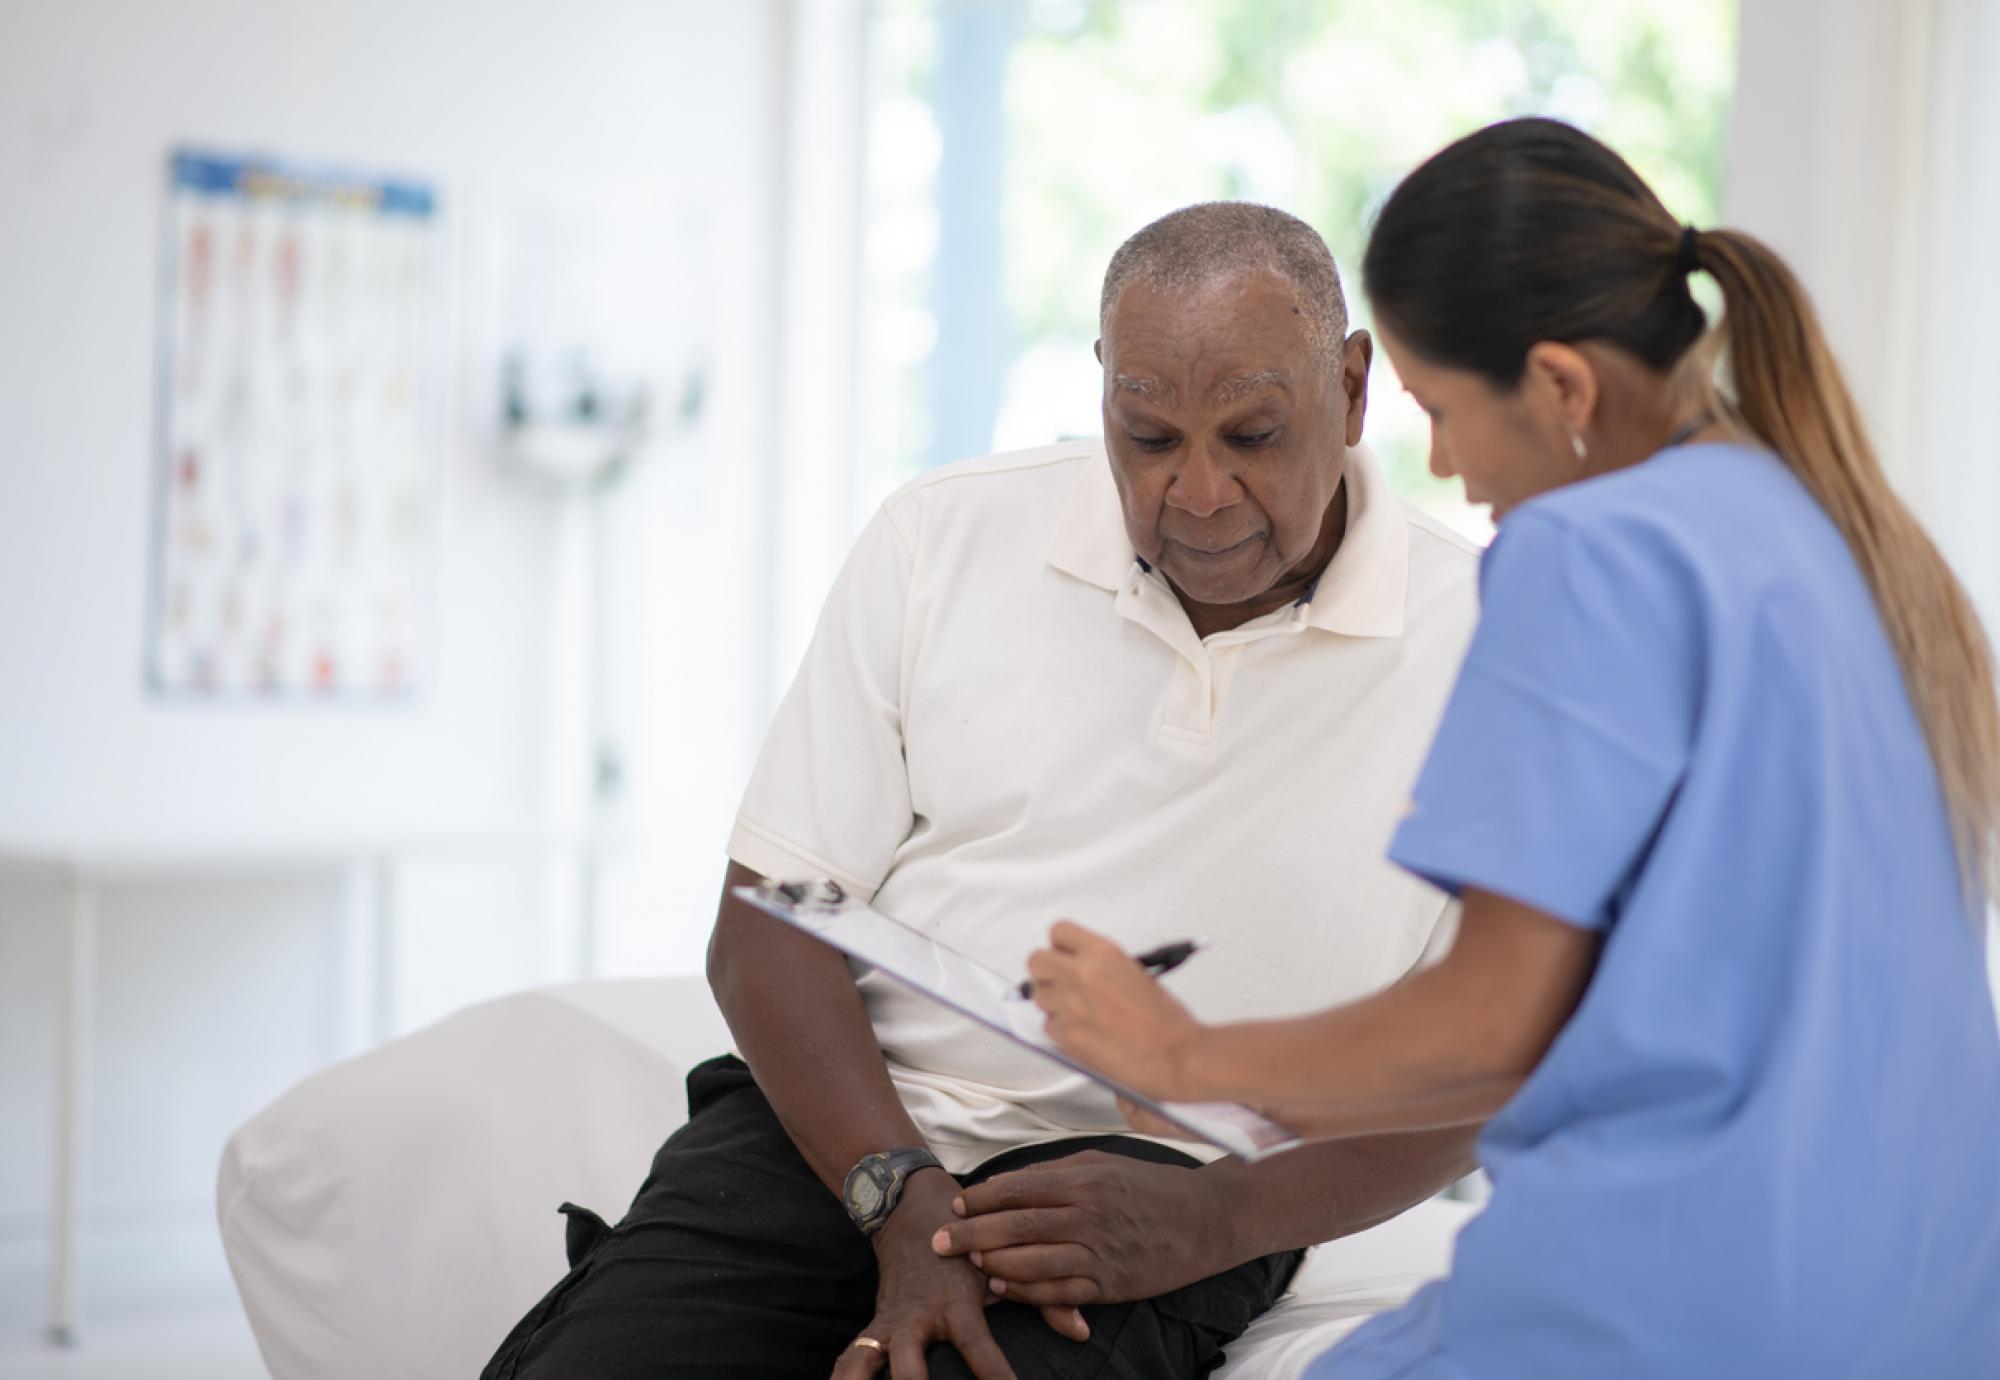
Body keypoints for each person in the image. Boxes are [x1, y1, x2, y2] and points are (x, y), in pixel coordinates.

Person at [1023, 118, 2000, 1378]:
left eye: (1438, 409)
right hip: (1926, 1311)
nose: (1438, 465)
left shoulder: (1590, 551)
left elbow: (1488, 1023)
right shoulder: (1829, 537)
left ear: (1560, 387)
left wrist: (1179, 1055)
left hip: (1669, 1315)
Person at [481, 202, 1486, 1380]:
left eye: (1254, 435)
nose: (1200, 493)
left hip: (1165, 1180)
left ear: (1353, 389)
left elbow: (1484, 1059)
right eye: (1148, 436)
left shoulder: (1491, 643)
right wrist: (899, 1196)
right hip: (850, 1135)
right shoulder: (938, 539)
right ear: (1102, 391)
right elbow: (772, 920)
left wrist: (1217, 1222)